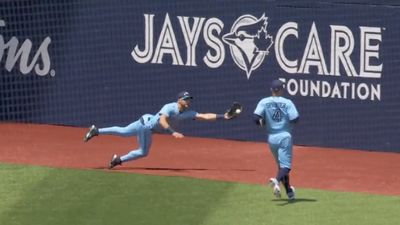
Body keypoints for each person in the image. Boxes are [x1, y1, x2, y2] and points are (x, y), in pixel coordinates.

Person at [84, 91, 235, 169]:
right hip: (147, 126)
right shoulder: (170, 107)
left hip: (146, 118)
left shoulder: (188, 113)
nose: (188, 101)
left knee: (124, 132)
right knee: (143, 152)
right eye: (186, 99)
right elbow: (162, 119)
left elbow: (204, 116)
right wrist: (172, 132)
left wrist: (224, 116)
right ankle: (118, 160)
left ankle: (96, 130)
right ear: (179, 100)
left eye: (189, 99)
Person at [253, 79, 299, 200]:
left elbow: (256, 118)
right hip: (284, 136)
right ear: (282, 89)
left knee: (281, 167)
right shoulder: (288, 102)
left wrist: (263, 122)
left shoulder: (264, 101)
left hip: (272, 138)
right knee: (286, 167)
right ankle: (276, 180)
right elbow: (295, 119)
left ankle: (289, 191)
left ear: (271, 90)